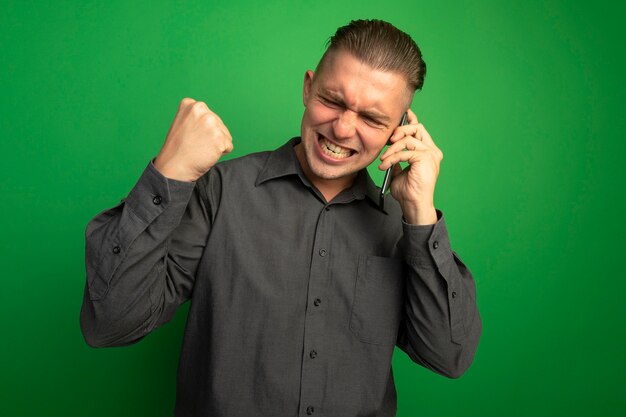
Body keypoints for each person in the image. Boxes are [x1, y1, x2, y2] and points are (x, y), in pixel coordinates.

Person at [80, 19, 482, 417]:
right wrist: (168, 173)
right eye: (332, 100)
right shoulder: (220, 192)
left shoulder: (404, 226)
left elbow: (449, 356)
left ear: (399, 128)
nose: (342, 128)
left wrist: (420, 213)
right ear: (308, 87)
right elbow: (111, 324)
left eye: (372, 119)